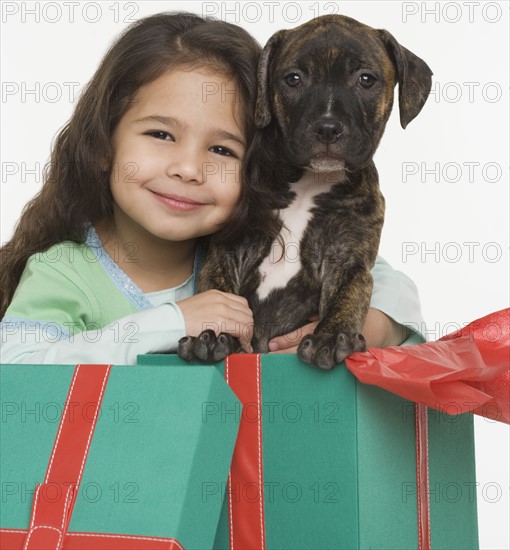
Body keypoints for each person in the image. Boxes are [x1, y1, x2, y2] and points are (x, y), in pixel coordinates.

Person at [0, 12, 423, 365]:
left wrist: (372, 325)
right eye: (161, 135)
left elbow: (376, 276)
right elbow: (16, 366)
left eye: (222, 149)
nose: (188, 169)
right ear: (101, 144)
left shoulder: (239, 241)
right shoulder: (64, 274)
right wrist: (174, 322)